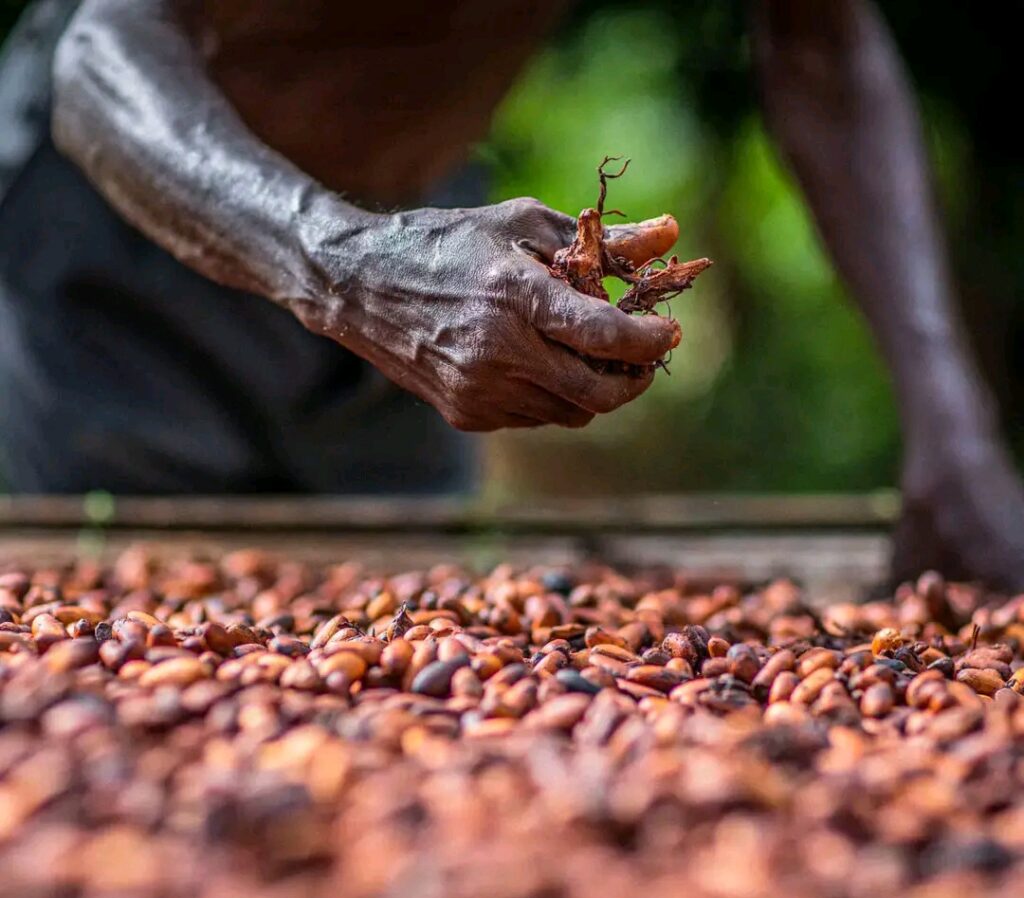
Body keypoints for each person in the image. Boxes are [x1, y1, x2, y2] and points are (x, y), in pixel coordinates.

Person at [0, 0, 1021, 588]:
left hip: (425, 242)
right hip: (139, 204)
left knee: (391, 644)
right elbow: (103, 50)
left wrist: (954, 435)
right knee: (114, 615)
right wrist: (346, 265)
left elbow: (823, 39)